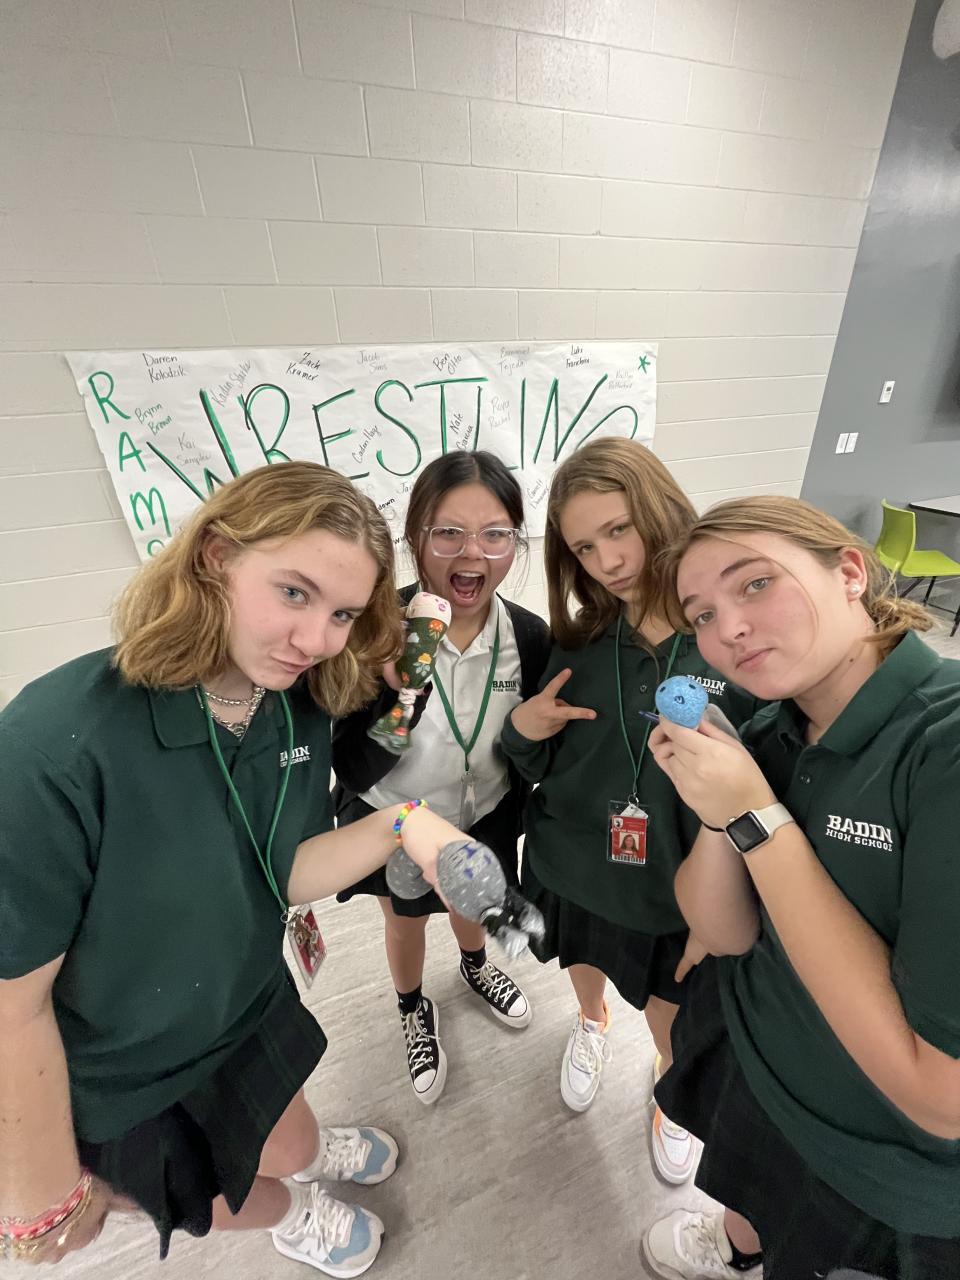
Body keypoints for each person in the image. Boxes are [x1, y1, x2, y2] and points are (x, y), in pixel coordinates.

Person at [0, 462, 475, 1277]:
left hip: (245, 997)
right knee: (215, 1183)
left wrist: (404, 824)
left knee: (288, 1135)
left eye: (342, 614)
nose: (316, 639)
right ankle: (294, 1215)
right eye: (293, 593)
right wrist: (40, 1190)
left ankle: (308, 1159)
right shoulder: (53, 746)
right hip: (127, 1070)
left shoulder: (290, 701)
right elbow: (13, 1008)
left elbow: (279, 870)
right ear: (217, 556)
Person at [642, 496, 960, 1280]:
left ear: (849, 572)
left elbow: (941, 1098)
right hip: (759, 1075)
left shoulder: (943, 745)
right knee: (749, 1208)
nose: (728, 629)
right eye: (702, 615)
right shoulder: (770, 731)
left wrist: (755, 815)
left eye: (755, 584)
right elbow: (725, 932)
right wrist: (718, 810)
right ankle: (737, 1242)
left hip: (873, 1172)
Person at [500, 438, 758, 1184]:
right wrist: (522, 732)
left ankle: (670, 1087)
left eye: (620, 530)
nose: (608, 561)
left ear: (660, 510)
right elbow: (540, 765)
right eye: (585, 547)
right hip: (574, 865)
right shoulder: (579, 642)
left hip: (678, 890)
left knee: (672, 1015)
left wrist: (726, 911)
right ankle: (591, 1023)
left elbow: (762, 799)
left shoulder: (727, 643)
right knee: (581, 962)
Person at [333, 451, 550, 1104]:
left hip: (485, 812)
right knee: (405, 920)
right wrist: (404, 696)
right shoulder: (372, 634)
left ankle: (475, 966)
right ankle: (411, 1006)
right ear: (415, 538)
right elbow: (352, 764)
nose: (472, 553)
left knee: (471, 901)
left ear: (515, 541)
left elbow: (528, 752)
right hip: (392, 818)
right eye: (449, 532)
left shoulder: (528, 637)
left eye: (494, 534)